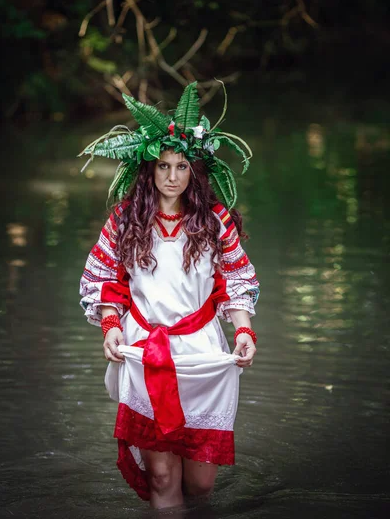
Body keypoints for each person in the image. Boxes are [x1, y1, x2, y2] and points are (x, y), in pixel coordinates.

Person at [79, 82, 260, 510]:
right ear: (148, 169)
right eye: (163, 167)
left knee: (200, 484)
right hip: (146, 349)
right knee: (162, 476)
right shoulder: (125, 220)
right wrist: (109, 325)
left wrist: (245, 331)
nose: (173, 177)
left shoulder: (214, 221)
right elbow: (104, 279)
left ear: (195, 171)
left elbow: (237, 280)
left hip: (202, 354)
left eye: (182, 166)